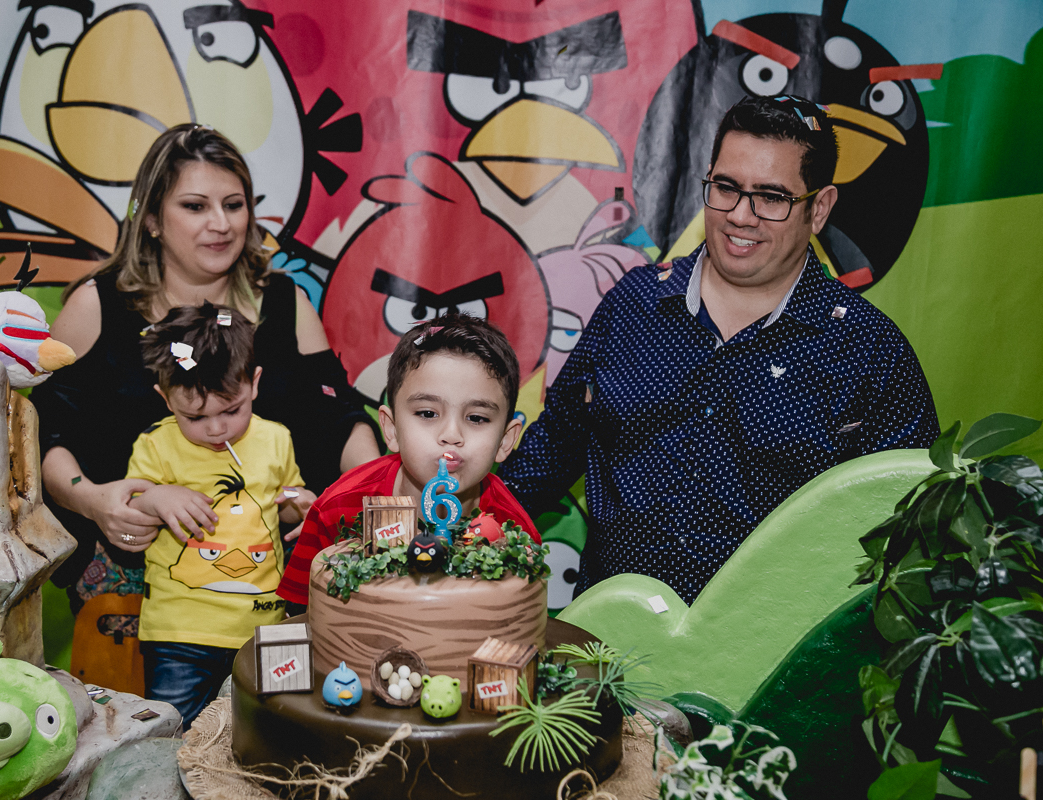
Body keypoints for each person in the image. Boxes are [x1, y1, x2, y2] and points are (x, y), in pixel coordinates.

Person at [500, 95, 939, 604]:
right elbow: (549, 455)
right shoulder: (632, 306)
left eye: (772, 197)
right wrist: (452, 538)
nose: (741, 216)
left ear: (819, 209)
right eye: (726, 188)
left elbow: (907, 529)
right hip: (607, 652)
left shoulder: (870, 352)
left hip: (772, 668)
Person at [31, 123, 380, 614]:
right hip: (132, 590)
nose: (221, 223)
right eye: (195, 206)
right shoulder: (97, 307)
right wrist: (92, 500)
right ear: (151, 218)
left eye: (233, 205)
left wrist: (357, 502)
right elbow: (43, 432)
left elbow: (338, 419)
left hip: (267, 585)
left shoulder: (286, 304)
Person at [277, 314, 541, 608]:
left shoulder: (514, 531)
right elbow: (300, 614)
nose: (451, 435)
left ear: (505, 441)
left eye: (477, 418)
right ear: (390, 429)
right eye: (427, 413)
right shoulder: (336, 508)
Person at [126, 303, 305, 726]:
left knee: (277, 729)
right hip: (179, 632)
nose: (216, 429)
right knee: (171, 734)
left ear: (254, 383)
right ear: (164, 397)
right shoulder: (155, 445)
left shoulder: (276, 439)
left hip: (266, 628)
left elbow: (288, 503)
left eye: (231, 409)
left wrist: (301, 503)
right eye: (195, 416)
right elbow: (130, 508)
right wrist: (156, 498)